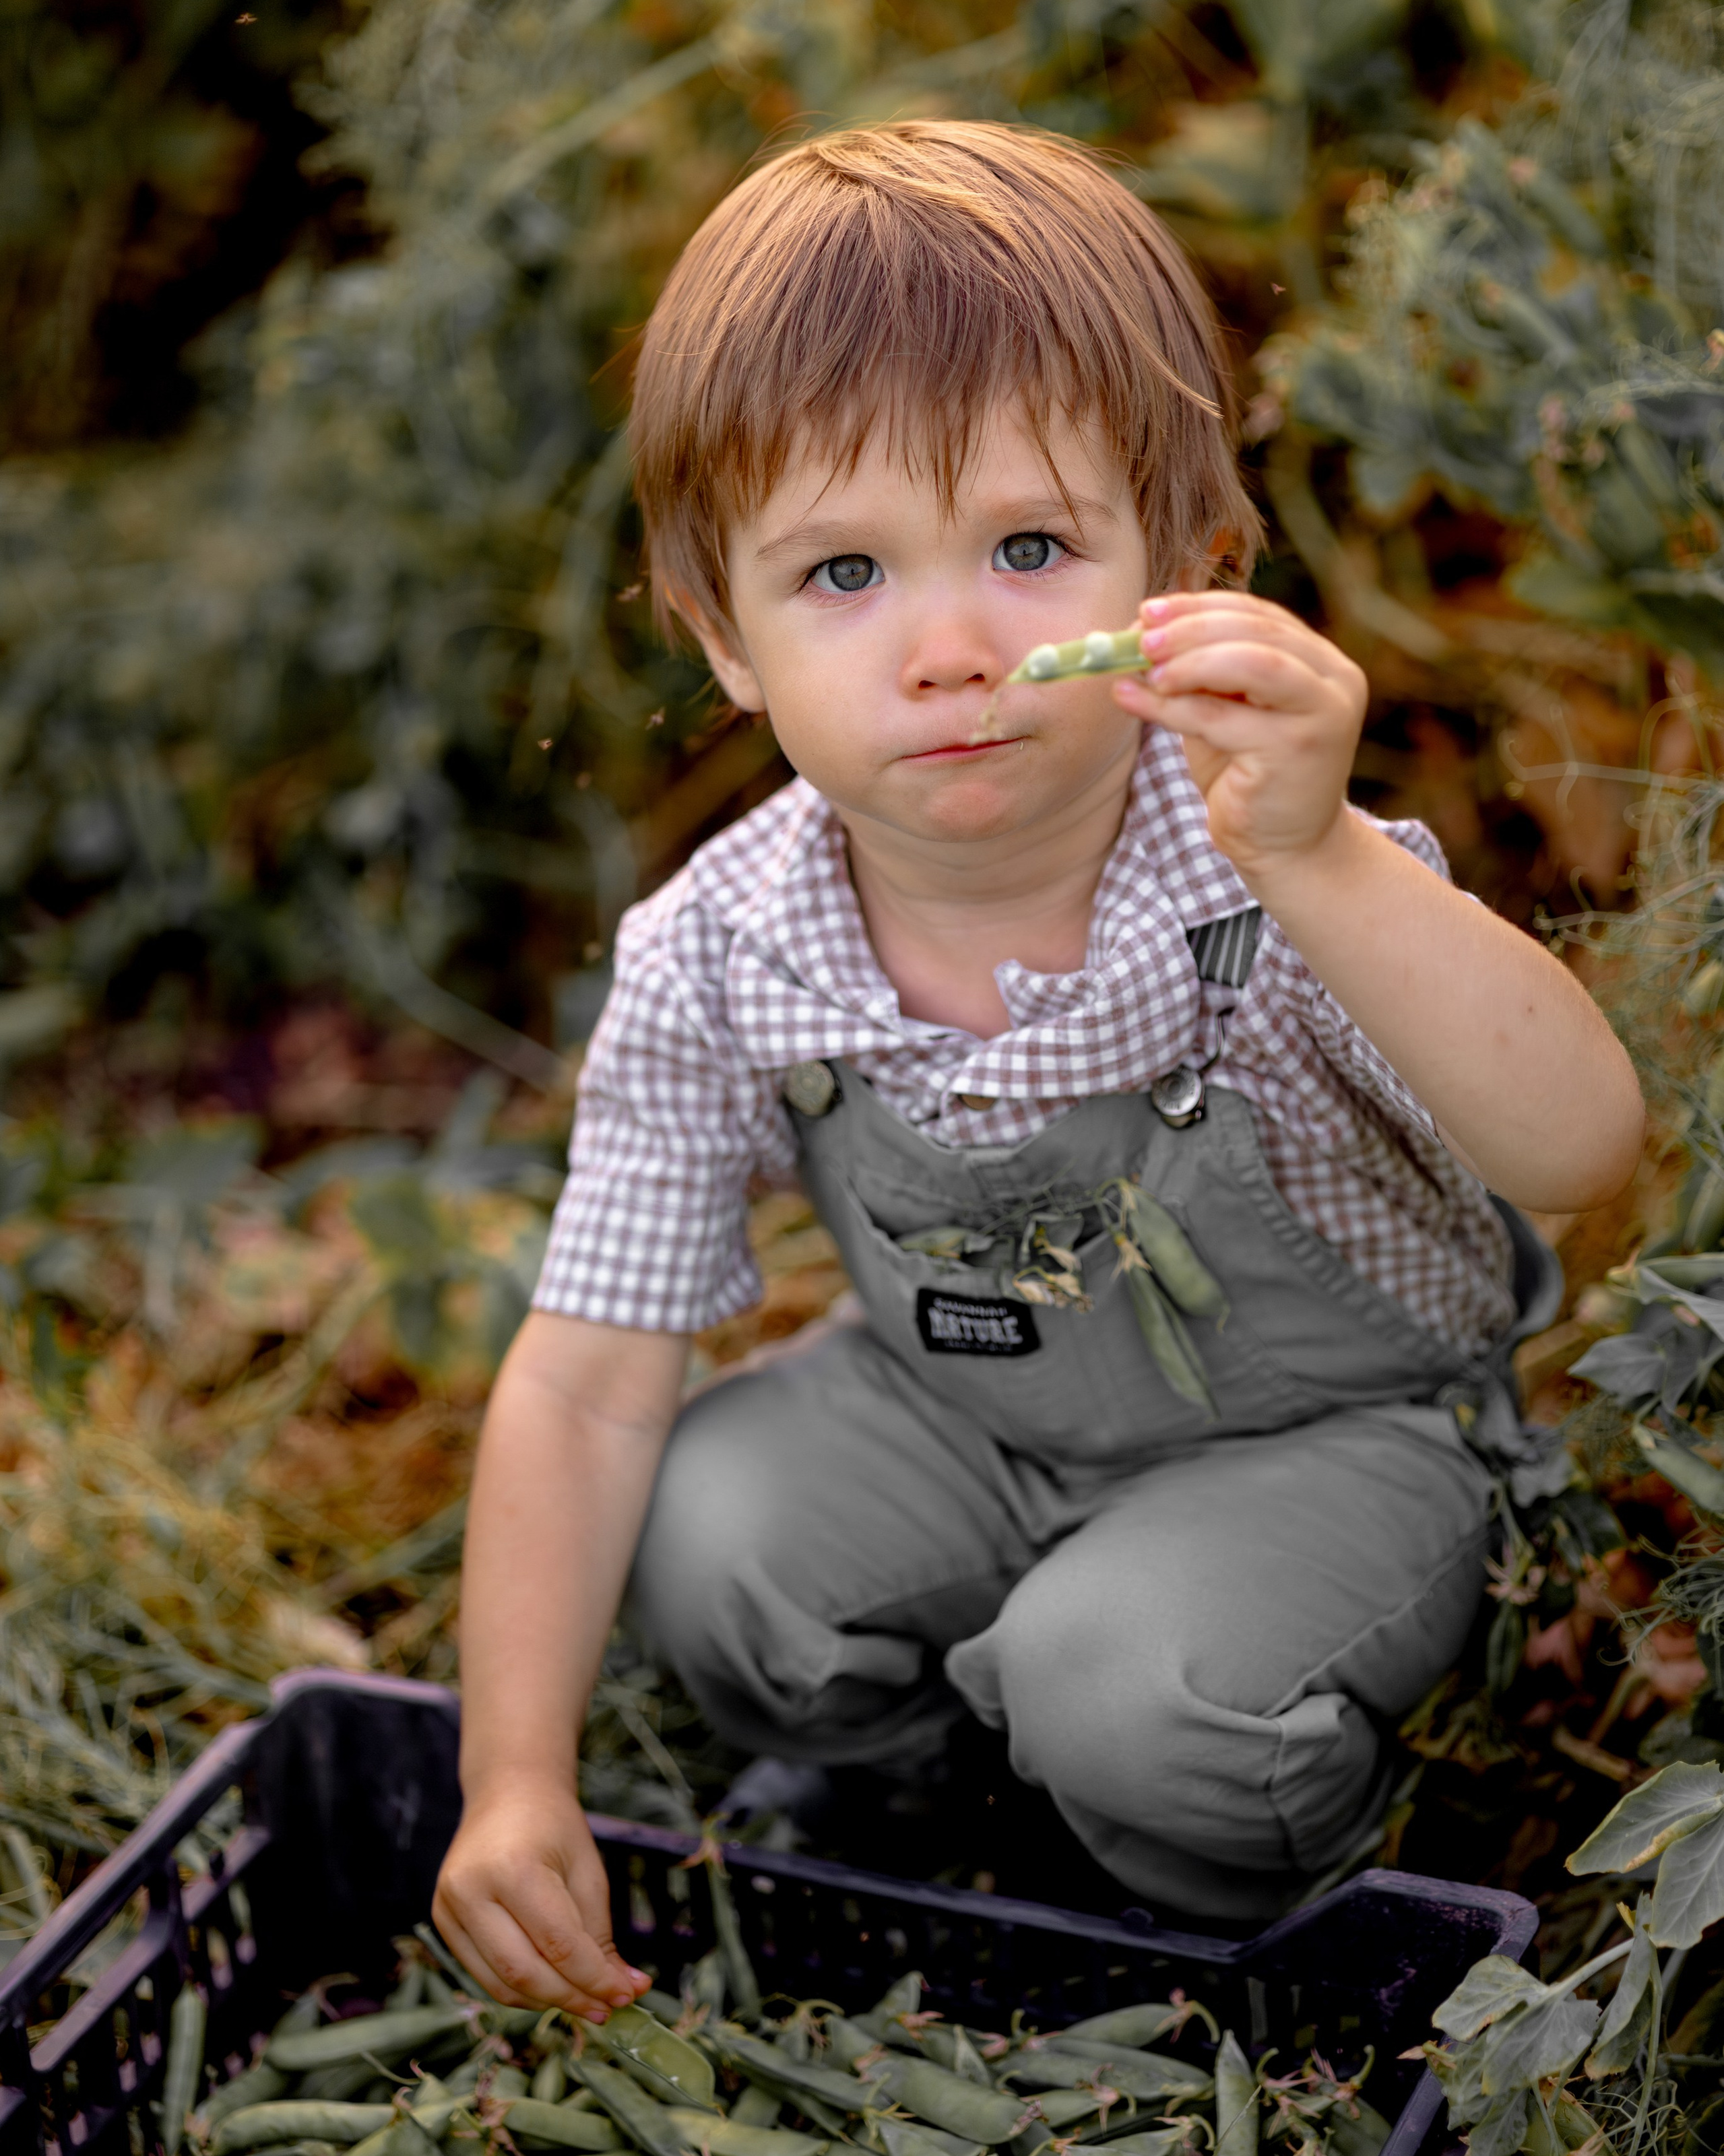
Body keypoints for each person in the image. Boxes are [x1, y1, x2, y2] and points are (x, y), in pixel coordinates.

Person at [432, 119, 1644, 2017]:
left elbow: (1579, 1148)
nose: (948, 647)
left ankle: (1258, 1902)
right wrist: (509, 1776)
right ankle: (938, 1789)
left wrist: (1328, 859)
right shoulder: (723, 948)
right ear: (722, 634)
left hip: (1341, 1450)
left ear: (1191, 570)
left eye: (1027, 548)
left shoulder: (1265, 861)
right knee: (704, 1528)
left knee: (1132, 1684)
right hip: (975, 1428)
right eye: (843, 570)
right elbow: (586, 1384)